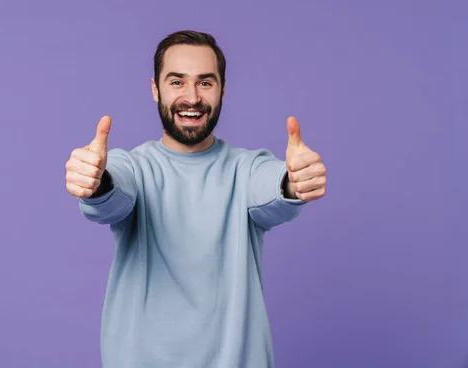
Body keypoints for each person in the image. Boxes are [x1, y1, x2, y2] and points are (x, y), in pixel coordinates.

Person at [65, 30, 327, 367]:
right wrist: (96, 180)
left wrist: (295, 181)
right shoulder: (132, 167)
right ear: (155, 89)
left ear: (222, 90)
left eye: (205, 82)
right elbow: (114, 192)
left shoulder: (247, 169)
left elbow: (275, 187)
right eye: (177, 82)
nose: (192, 98)